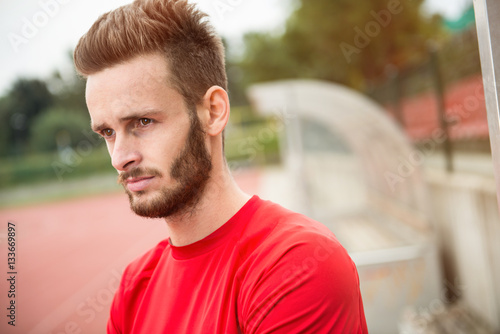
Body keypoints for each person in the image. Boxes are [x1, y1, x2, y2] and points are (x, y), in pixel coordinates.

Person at [74, 0, 368, 332]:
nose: (120, 157)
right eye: (108, 132)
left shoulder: (297, 263)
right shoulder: (134, 287)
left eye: (143, 121)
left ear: (213, 111)